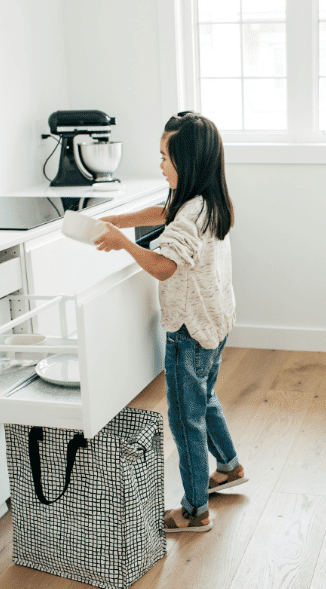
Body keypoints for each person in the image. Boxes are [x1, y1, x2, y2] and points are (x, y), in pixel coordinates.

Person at [93, 111, 247, 533]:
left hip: (188, 332)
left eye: (166, 156)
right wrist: (115, 221)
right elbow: (162, 212)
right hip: (215, 323)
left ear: (189, 162)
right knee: (204, 397)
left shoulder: (189, 215)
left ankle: (195, 510)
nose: (159, 163)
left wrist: (123, 243)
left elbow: (163, 267)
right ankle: (229, 466)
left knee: (184, 420)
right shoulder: (207, 201)